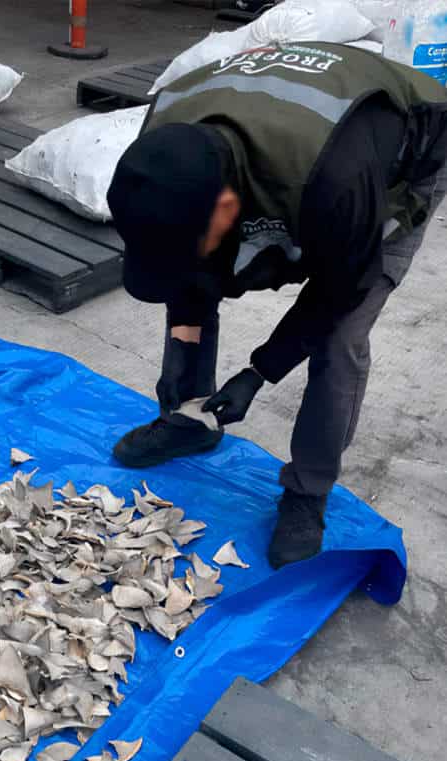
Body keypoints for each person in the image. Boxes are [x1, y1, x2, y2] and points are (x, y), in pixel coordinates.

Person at [107, 42, 447, 568]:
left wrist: (258, 372)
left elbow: (335, 294)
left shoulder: (336, 181)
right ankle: (189, 419)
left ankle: (308, 493)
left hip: (402, 154)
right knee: (191, 275)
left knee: (340, 337)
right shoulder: (161, 138)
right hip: (291, 143)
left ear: (226, 208)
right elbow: (182, 270)